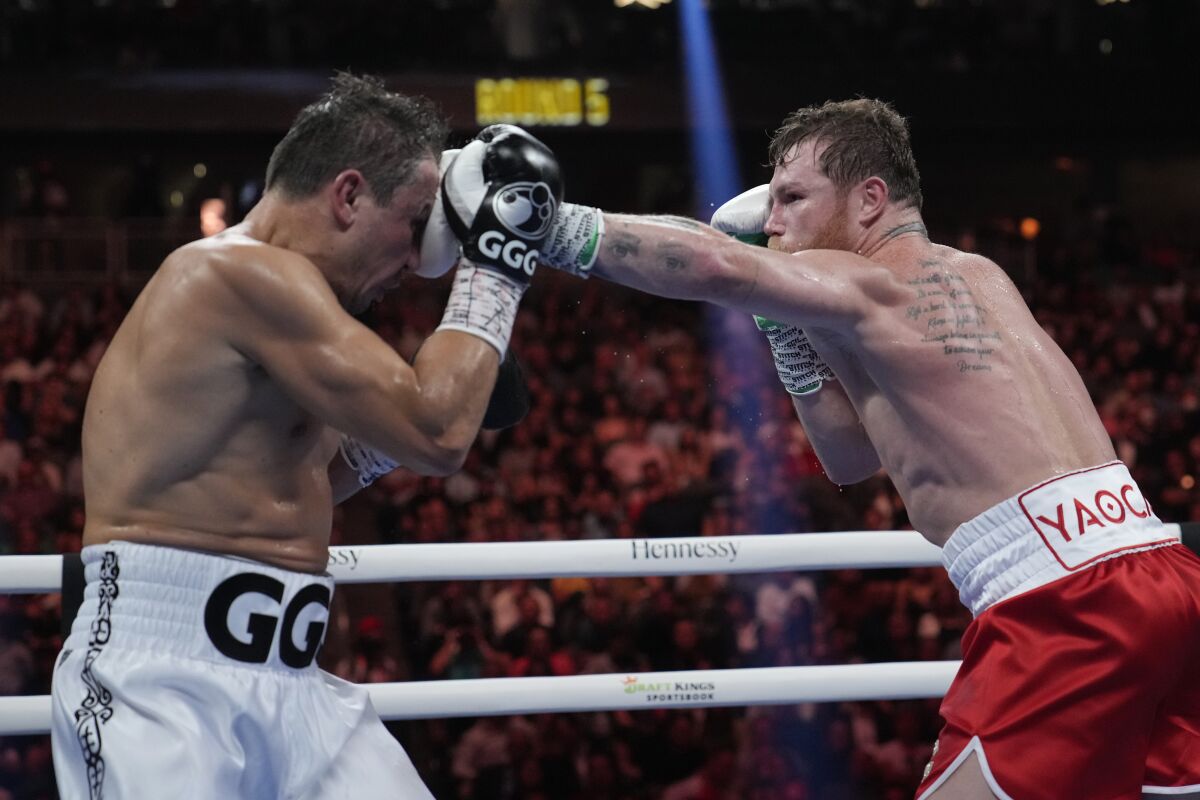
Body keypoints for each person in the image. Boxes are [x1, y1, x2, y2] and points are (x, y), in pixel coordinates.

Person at [537, 99, 1200, 799]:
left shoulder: (870, 284)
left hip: (1067, 608)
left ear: (869, 199)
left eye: (792, 198)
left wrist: (547, 225)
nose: (771, 222)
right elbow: (848, 457)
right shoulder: (981, 276)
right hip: (1166, 578)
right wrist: (783, 324)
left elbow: (713, 265)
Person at [50, 72, 560, 799]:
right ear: (349, 196)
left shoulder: (293, 313)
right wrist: (497, 264)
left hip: (293, 681)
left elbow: (316, 475)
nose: (419, 260)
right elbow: (438, 433)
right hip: (159, 681)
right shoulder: (238, 274)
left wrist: (396, 432)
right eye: (414, 224)